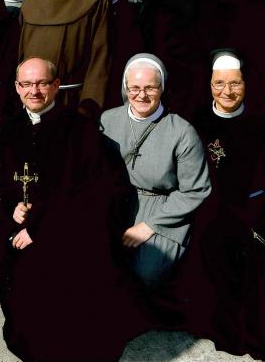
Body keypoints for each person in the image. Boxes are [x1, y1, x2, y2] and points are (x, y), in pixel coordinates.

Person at [0, 57, 147, 362]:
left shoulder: (80, 130)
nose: (34, 91)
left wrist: (39, 229)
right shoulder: (8, 129)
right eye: (26, 84)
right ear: (17, 87)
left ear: (56, 85)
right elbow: (2, 183)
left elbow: (92, 194)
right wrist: (12, 208)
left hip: (68, 229)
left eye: (42, 83)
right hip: (22, 227)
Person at [178, 51, 265, 359]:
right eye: (219, 83)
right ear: (209, 84)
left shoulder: (259, 122)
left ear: (246, 84)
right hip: (207, 208)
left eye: (235, 83)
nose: (227, 91)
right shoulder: (196, 121)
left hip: (253, 209)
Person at [101, 54, 210, 288]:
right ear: (125, 87)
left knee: (146, 273)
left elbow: (195, 190)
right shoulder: (107, 121)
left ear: (162, 88)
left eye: (150, 88)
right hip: (117, 205)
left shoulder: (181, 131)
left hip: (163, 209)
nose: (141, 95)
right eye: (134, 88)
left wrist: (149, 225)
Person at [18, 0, 110, 117]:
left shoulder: (95, 0)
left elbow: (101, 59)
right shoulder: (29, 2)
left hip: (74, 102)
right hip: (32, 101)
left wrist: (88, 107)